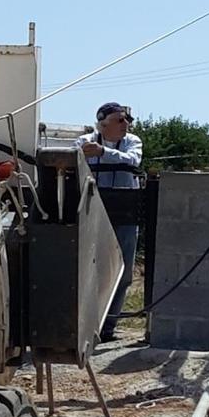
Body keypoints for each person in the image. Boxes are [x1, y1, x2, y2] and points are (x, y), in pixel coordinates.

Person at [77, 102, 143, 343]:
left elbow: (133, 161)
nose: (126, 124)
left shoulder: (132, 141)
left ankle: (109, 326)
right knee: (91, 269)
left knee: (122, 271)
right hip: (95, 211)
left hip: (125, 212)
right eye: (120, 120)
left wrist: (103, 153)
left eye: (127, 120)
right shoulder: (84, 141)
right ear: (103, 124)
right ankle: (89, 323)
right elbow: (74, 160)